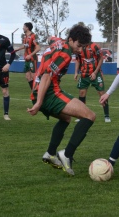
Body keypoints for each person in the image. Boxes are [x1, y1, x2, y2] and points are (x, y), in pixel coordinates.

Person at [27, 25, 96, 176]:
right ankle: (67, 154)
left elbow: (51, 38)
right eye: (78, 46)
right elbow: (47, 75)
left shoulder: (58, 41)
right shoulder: (65, 54)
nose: (79, 50)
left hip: (38, 89)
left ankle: (50, 154)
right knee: (90, 116)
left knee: (66, 118)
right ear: (71, 40)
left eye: (83, 47)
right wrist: (39, 103)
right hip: (48, 92)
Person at [74, 42, 111, 123]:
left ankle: (107, 116)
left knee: (101, 93)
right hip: (84, 74)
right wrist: (76, 72)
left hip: (96, 74)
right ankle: (81, 115)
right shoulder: (79, 48)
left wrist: (95, 72)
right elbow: (78, 60)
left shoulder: (95, 46)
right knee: (82, 93)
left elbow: (100, 59)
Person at [14, 22, 41, 89]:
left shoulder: (33, 36)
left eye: (24, 26)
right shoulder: (25, 36)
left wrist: (30, 55)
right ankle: (34, 91)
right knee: (28, 77)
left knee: (33, 76)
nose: (23, 28)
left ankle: (39, 90)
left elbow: (38, 48)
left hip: (32, 59)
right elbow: (25, 45)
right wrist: (17, 49)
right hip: (26, 59)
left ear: (27, 28)